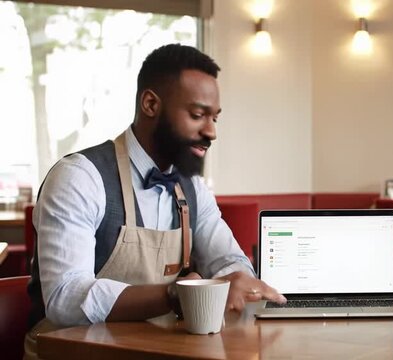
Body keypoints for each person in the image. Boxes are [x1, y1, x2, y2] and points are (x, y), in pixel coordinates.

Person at [23, 44, 286, 358]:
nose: (211, 131)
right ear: (150, 104)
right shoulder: (79, 178)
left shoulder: (193, 188)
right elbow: (65, 298)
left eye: (215, 118)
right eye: (197, 115)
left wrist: (238, 279)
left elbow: (228, 261)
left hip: (156, 350)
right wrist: (178, 294)